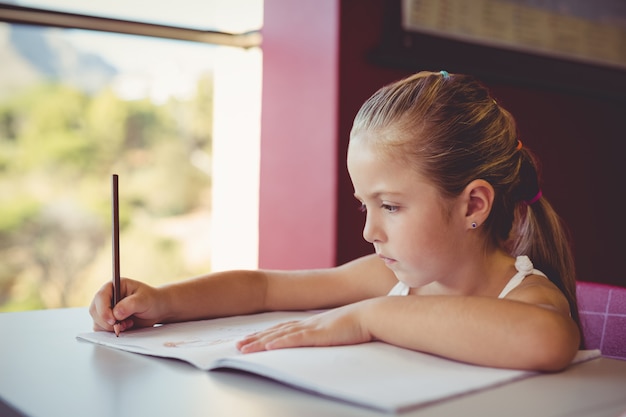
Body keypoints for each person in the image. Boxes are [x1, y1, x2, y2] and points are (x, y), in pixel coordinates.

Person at [90, 70, 581, 371]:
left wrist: (371, 317)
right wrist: (161, 301)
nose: (369, 231)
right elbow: (264, 289)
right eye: (363, 205)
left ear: (473, 205)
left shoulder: (526, 297)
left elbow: (547, 340)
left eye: (389, 206)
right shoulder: (390, 277)